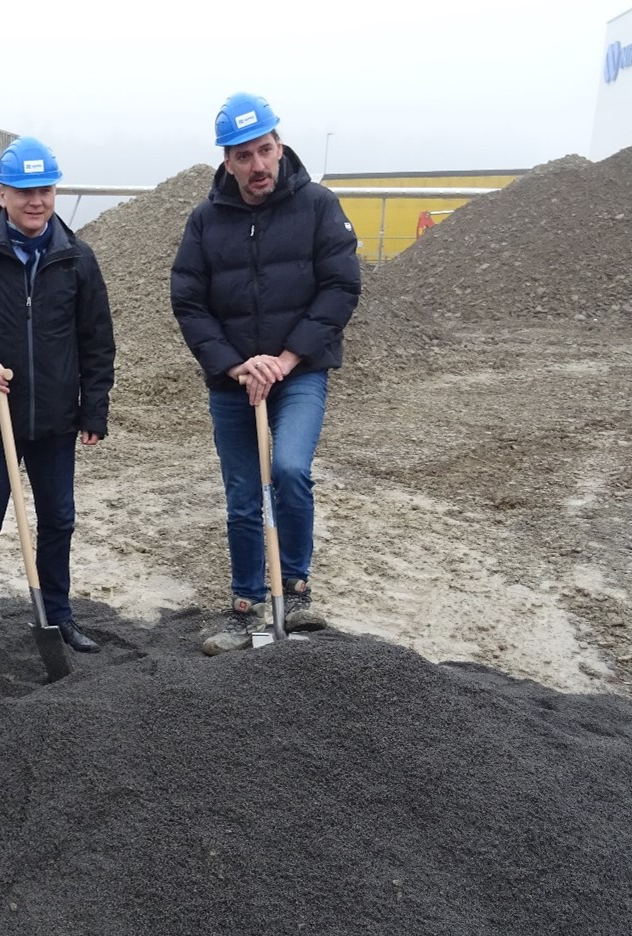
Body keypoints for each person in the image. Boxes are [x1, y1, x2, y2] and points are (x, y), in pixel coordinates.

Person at [169, 92, 361, 655]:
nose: (258, 166)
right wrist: (234, 363)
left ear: (280, 146)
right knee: (243, 490)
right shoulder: (205, 222)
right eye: (244, 155)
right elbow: (189, 300)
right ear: (226, 161)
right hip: (234, 379)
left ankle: (296, 591)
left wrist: (285, 359)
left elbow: (341, 286)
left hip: (298, 371)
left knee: (290, 468)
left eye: (266, 150)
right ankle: (248, 602)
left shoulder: (319, 207)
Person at [0, 137, 116, 661]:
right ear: (3, 192)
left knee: (59, 520)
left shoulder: (77, 258)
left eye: (46, 190)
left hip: (57, 421)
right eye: (25, 191)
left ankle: (58, 615)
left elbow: (97, 339)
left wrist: (93, 408)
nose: (37, 201)